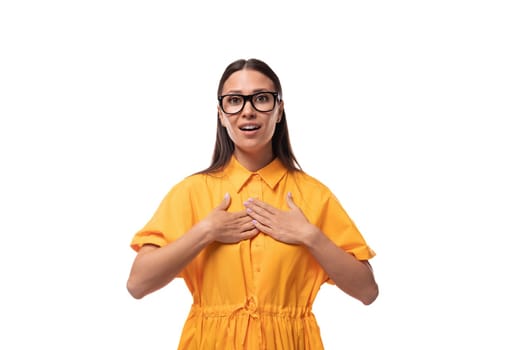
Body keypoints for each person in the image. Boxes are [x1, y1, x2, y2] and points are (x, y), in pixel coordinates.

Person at [126, 58, 378, 349]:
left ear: (279, 110)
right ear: (221, 114)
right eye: (235, 101)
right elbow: (137, 284)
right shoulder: (191, 193)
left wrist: (309, 236)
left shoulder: (313, 196)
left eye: (261, 99)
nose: (248, 111)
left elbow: (367, 291)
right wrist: (205, 231)